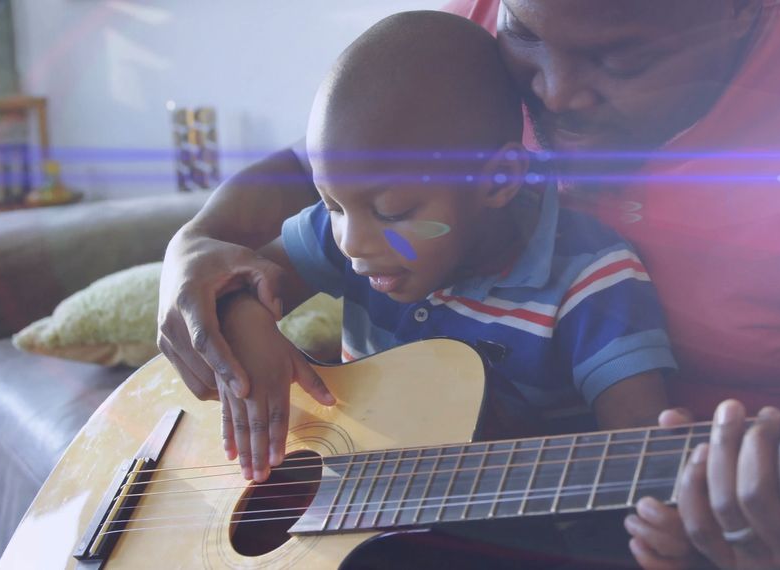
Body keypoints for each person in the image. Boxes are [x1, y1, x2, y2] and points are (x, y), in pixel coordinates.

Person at [158, 1, 780, 568]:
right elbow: (338, 157)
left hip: (637, 496)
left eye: (621, 58)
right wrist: (200, 249)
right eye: (525, 39)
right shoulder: (479, 29)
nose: (552, 95)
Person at [210, 10, 675, 484]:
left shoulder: (592, 280)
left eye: (393, 213)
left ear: (498, 180)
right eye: (331, 204)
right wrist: (246, 322)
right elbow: (242, 286)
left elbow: (643, 452)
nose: (351, 242)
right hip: (366, 503)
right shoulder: (357, 230)